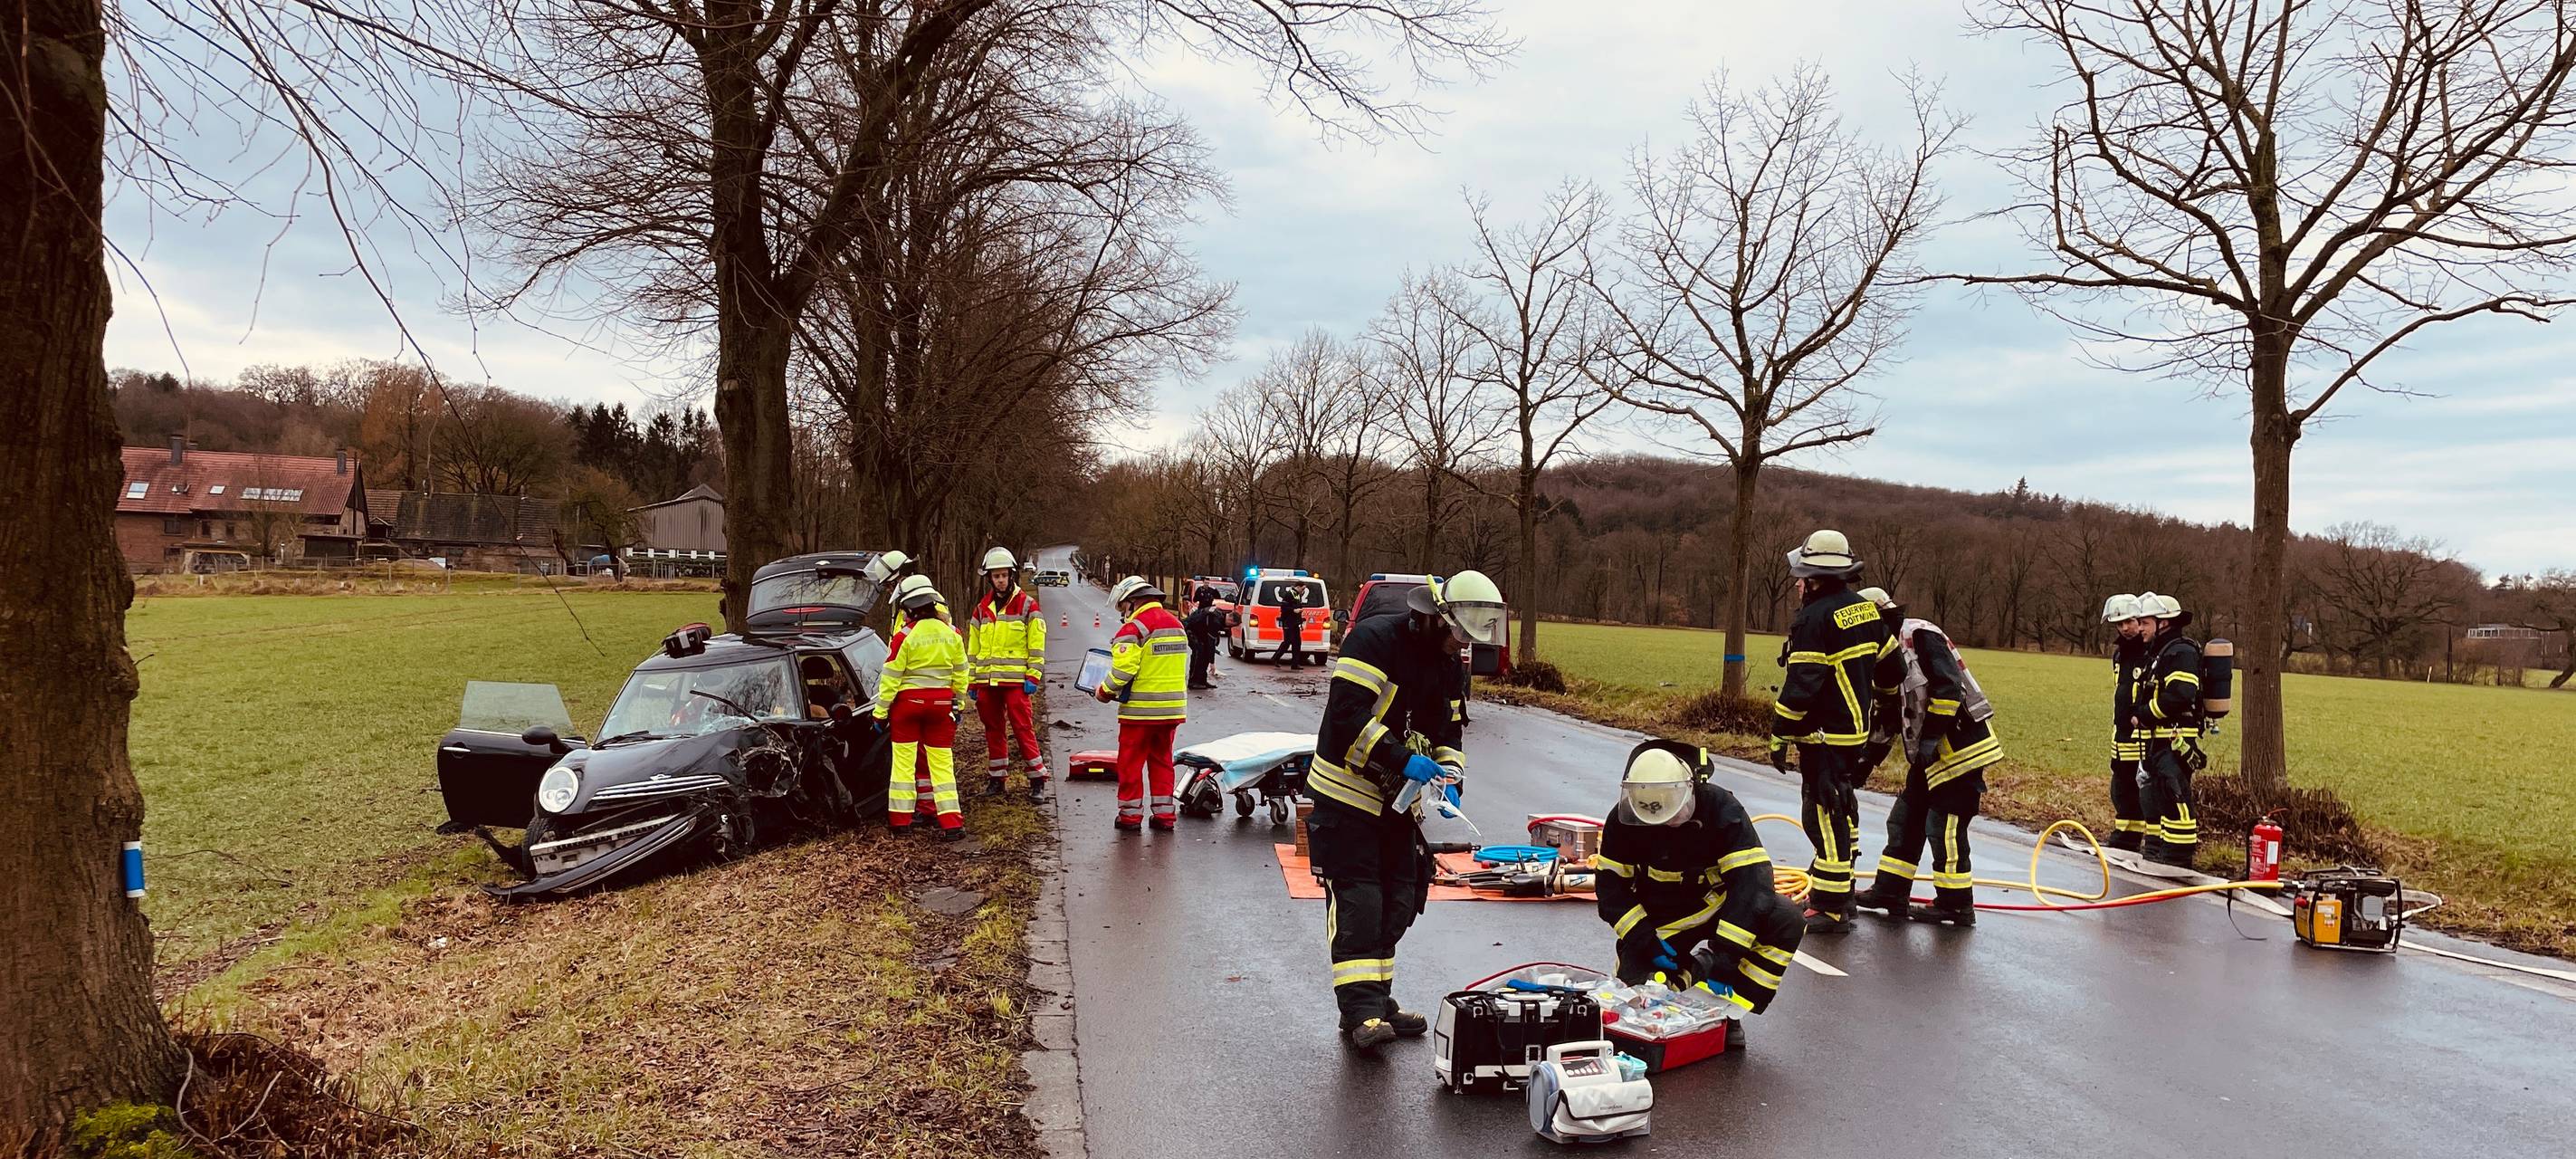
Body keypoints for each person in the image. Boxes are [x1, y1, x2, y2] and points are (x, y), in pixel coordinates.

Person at [1305, 570, 1507, 1049]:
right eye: (1458, 633)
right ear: (1435, 617)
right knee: (1360, 900)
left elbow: (1449, 729)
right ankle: (1360, 1012)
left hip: (1398, 801)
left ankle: (1379, 1000)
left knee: (1401, 895)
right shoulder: (1375, 641)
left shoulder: (1447, 662)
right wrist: (1400, 758)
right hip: (1347, 793)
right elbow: (1347, 715)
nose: (1461, 644)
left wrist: (1449, 774)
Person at [1594, 741, 1805, 1014]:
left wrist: (1727, 957)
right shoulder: (1623, 821)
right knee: (1635, 999)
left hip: (1722, 909)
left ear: (1691, 789)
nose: (1670, 825)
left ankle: (1728, 1014)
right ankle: (1687, 981)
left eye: (1675, 814)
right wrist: (1644, 939)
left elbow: (1751, 886)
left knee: (1785, 919)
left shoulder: (1721, 809)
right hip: (1663, 919)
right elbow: (1612, 890)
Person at [1766, 530, 1903, 934]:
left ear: (1815, 579)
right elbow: (1893, 671)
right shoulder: (1866, 611)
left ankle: (1828, 906)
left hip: (1822, 736)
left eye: (1801, 577)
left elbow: (1803, 683)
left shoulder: (1814, 618)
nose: (1796, 584)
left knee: (1821, 814)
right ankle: (1843, 893)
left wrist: (1780, 733)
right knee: (1843, 807)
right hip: (1853, 734)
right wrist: (1874, 707)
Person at [1850, 588, 2004, 926]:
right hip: (1929, 756)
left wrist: (1932, 736)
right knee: (1905, 818)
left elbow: (1949, 688)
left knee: (1944, 827)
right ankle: (1890, 891)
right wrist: (1867, 759)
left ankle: (1956, 904)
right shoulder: (1882, 653)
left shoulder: (1919, 634)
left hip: (1961, 749)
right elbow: (1888, 711)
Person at [875, 575, 970, 840]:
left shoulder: (904, 636)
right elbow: (962, 673)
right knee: (942, 765)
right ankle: (952, 824)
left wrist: (880, 713)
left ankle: (900, 823)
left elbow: (890, 678)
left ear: (910, 609)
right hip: (941, 707)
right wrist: (958, 703)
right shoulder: (952, 634)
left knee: (903, 765)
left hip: (907, 707)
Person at [1097, 577, 1190, 832]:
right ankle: (1164, 817)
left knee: (1130, 763)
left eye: (1123, 608)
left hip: (1140, 711)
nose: (1123, 615)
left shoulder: (1133, 629)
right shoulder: (1176, 624)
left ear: (1133, 601)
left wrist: (1104, 691)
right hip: (1171, 710)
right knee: (1162, 761)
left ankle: (1129, 817)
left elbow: (1123, 671)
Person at [966, 547, 1051, 801]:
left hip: (1016, 682)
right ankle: (997, 779)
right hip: (987, 682)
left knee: (1023, 728)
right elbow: (974, 648)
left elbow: (1036, 644)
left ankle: (1037, 779)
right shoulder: (982, 609)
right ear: (989, 578)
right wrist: (973, 681)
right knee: (993, 729)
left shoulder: (1027, 605)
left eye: (1003, 575)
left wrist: (1033, 676)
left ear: (1011, 575)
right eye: (995, 576)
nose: (1000, 580)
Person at [2132, 593, 2205, 874]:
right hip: (2158, 738)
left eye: (2146, 622)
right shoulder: (2161, 653)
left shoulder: (2181, 652)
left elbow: (2181, 695)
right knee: (2157, 794)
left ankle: (2178, 856)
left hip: (2176, 738)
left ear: (2163, 623)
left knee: (2175, 794)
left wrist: (2145, 713)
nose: (2141, 628)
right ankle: (2160, 852)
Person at [2102, 593, 2154, 853]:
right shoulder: (2119, 655)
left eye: (2130, 622)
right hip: (2120, 734)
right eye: (2119, 624)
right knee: (2121, 787)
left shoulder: (2150, 652)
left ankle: (2150, 838)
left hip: (2142, 734)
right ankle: (2125, 835)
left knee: (2143, 787)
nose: (2125, 628)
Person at [1183, 586, 1227, 691]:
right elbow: (1211, 641)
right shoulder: (1215, 618)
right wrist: (1212, 663)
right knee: (1199, 652)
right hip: (1190, 629)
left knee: (1205, 652)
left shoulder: (1216, 612)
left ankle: (1202, 680)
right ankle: (1193, 681)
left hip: (1198, 629)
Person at [1273, 581, 1310, 666]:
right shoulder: (1289, 594)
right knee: (1287, 642)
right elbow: (1284, 608)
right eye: (1303, 589)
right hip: (1288, 622)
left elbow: (1299, 610)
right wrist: (1293, 610)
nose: (1303, 591)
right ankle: (1275, 658)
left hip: (1295, 623)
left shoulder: (1298, 595)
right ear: (1298, 587)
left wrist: (1300, 623)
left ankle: (1295, 664)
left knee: (1297, 643)